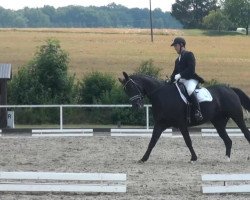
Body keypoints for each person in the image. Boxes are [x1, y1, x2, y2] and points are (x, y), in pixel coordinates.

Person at [170, 37, 204, 121]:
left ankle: (198, 111)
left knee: (189, 90)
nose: (175, 48)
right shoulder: (177, 60)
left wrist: (180, 74)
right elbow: (174, 73)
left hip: (190, 79)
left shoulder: (189, 55)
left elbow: (191, 69)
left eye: (176, 45)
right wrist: (170, 79)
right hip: (182, 80)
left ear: (181, 45)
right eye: (174, 46)